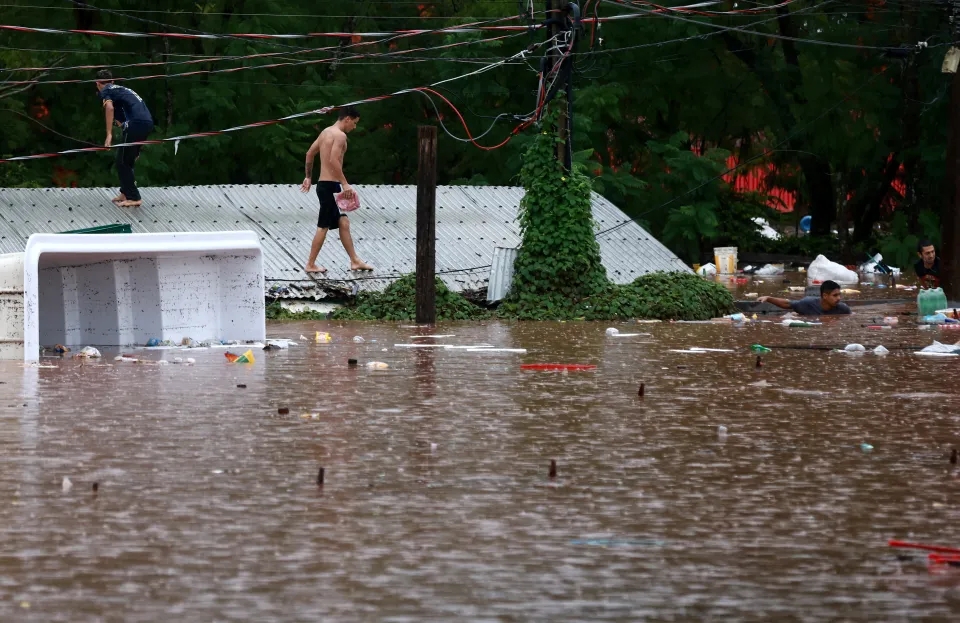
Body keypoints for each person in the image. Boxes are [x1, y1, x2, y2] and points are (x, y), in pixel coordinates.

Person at [300, 106, 374, 274]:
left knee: (343, 221)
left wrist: (308, 177)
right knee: (323, 225)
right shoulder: (340, 136)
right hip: (329, 186)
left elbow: (309, 154)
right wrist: (345, 184)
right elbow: (333, 160)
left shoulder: (325, 132)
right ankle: (310, 264)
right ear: (347, 119)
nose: (354, 127)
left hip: (326, 185)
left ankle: (355, 260)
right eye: (354, 123)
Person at [95, 70, 154, 208]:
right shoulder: (120, 91)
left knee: (122, 162)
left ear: (97, 83)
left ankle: (134, 197)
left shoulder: (106, 90)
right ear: (112, 81)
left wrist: (109, 134)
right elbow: (121, 119)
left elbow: (109, 108)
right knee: (127, 159)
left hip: (136, 124)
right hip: (146, 122)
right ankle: (125, 192)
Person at [758, 280, 852, 316]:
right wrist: (768, 298)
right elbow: (787, 304)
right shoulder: (807, 304)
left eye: (839, 295)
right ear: (825, 296)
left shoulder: (843, 309)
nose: (839, 298)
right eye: (835, 295)